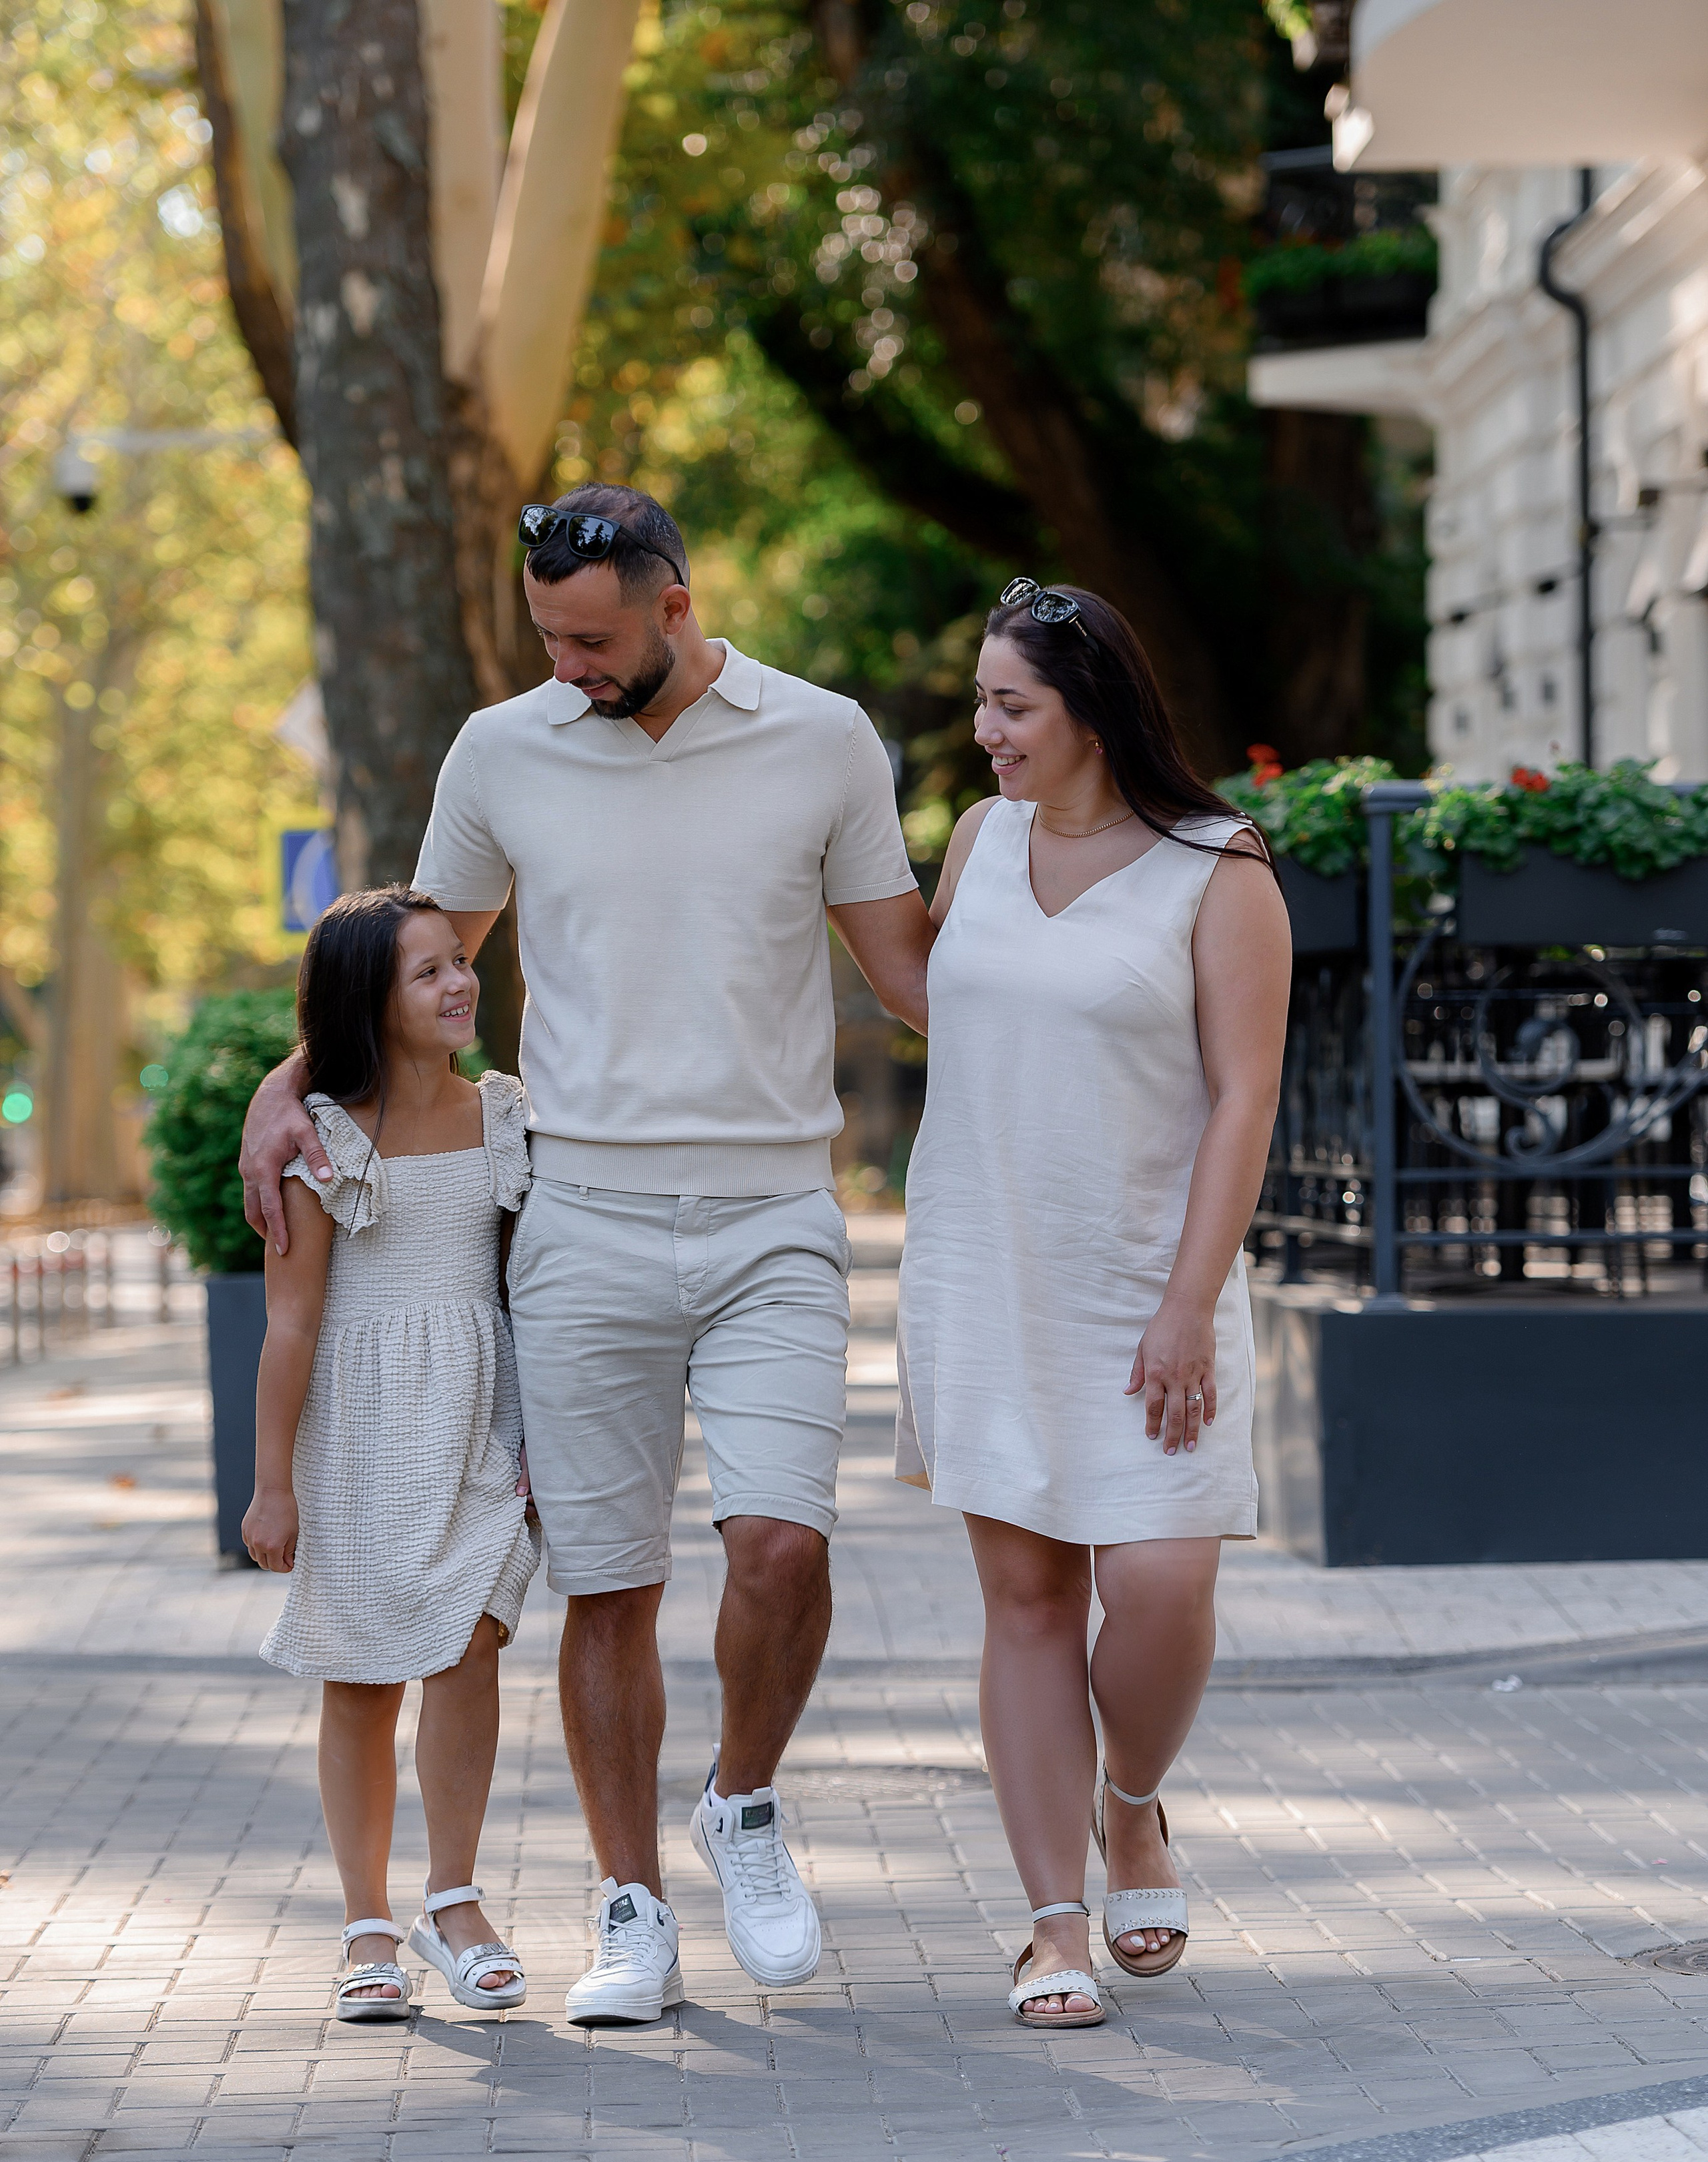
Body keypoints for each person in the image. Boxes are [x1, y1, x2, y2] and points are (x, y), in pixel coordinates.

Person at [240, 485, 932, 2029]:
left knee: (782, 1547)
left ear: (676, 605)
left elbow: (911, 978)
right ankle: (631, 1905)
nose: (566, 663)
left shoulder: (820, 738)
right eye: (549, 634)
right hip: (580, 1213)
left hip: (769, 1210)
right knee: (605, 1585)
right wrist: (281, 1090)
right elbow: (415, 960)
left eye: (595, 637)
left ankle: (739, 1803)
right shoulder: (502, 749)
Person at [895, 578, 1291, 2028]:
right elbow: (958, 1006)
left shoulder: (1214, 866)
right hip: (984, 1268)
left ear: (1090, 714)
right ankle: (1050, 1925)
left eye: (1011, 706)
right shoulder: (983, 843)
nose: (984, 732)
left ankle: (1133, 1806)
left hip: (1146, 1280)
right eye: (986, 701)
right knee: (1025, 1600)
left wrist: (1188, 1301)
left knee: (1165, 1586)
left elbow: (1245, 1097)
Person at [242, 887, 540, 2023]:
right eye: (426, 973)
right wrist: (272, 1486)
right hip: (360, 1433)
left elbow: (519, 1283)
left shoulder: (504, 1114)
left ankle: (454, 1901)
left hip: (477, 1419)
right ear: (370, 998)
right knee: (364, 1681)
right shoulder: (323, 1140)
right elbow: (291, 1324)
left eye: (457, 962)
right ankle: (368, 1927)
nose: (459, 983)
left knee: (469, 1650)